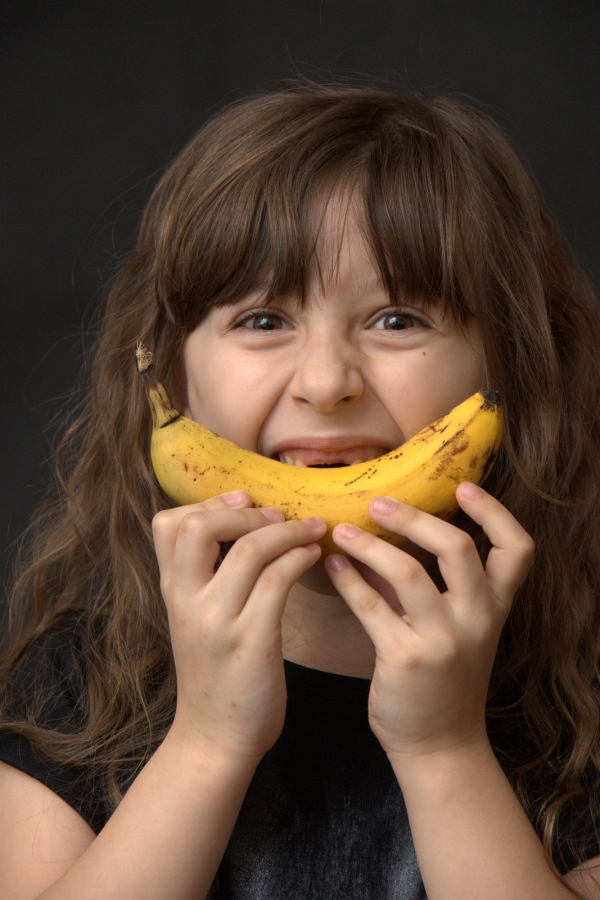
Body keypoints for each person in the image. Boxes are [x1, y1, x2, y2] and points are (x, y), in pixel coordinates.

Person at [0, 84, 599, 900]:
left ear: (511, 368)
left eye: (397, 319)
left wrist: (444, 749)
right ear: (170, 373)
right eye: (261, 320)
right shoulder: (77, 680)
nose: (326, 383)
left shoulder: (585, 695)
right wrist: (207, 744)